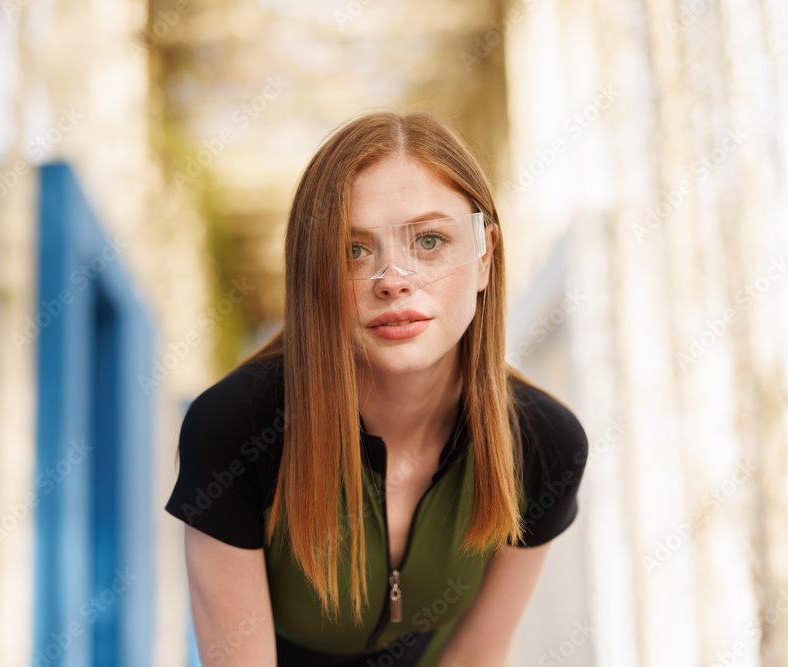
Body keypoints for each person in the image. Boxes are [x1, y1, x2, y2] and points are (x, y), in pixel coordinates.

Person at [164, 110, 589, 666]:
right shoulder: (232, 430)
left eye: (430, 240)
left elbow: (476, 657)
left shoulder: (544, 444)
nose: (393, 280)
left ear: (485, 255)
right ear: (313, 273)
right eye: (353, 250)